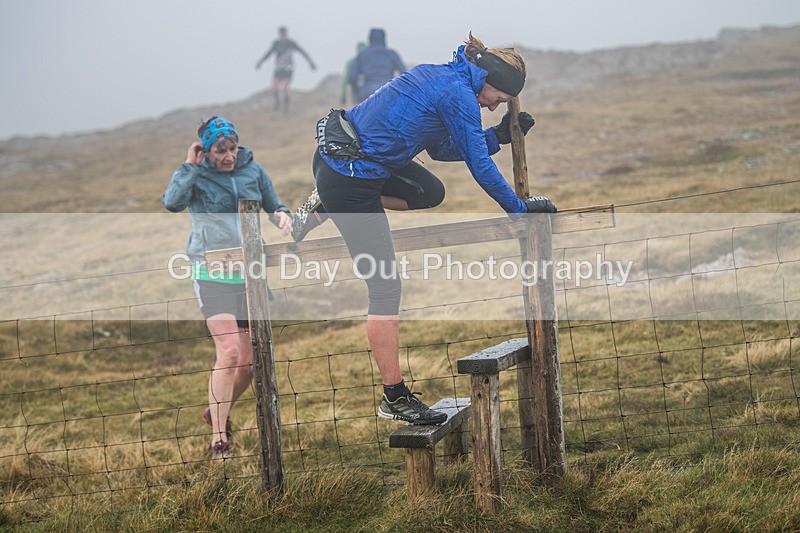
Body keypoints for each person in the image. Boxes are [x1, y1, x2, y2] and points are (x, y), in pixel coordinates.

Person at [292, 34, 555, 424]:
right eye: (497, 99)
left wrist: (497, 136)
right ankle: (394, 398)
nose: (493, 106)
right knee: (385, 287)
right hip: (350, 178)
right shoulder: (458, 94)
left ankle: (326, 203)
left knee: (430, 192)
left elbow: (440, 149)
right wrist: (519, 211)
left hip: (358, 161)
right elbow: (480, 167)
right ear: (488, 80)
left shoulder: (446, 77)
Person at [162, 116, 293, 457]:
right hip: (211, 271)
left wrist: (282, 216)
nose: (229, 156)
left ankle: (215, 410)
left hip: (250, 273)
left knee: (249, 364)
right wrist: (190, 166)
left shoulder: (253, 170)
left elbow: (274, 205)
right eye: (220, 151)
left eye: (232, 148)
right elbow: (172, 202)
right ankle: (219, 440)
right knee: (230, 352)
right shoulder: (197, 173)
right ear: (206, 150)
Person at [256, 26, 316, 111]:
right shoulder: (276, 44)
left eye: (284, 34)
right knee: (274, 88)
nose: (283, 36)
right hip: (279, 68)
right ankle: (277, 104)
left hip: (288, 68)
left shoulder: (291, 43)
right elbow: (268, 53)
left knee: (285, 87)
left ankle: (286, 107)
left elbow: (302, 52)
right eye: (281, 34)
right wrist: (260, 62)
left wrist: (311, 62)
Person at [348, 28, 406, 104]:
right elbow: (404, 73)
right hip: (389, 92)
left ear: (369, 39)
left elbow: (352, 76)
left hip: (367, 93)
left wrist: (357, 92)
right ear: (384, 38)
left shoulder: (362, 55)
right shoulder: (391, 54)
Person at [341, 41, 367, 105]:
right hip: (367, 89)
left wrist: (343, 95)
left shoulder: (351, 62)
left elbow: (345, 79)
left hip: (356, 90)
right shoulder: (370, 62)